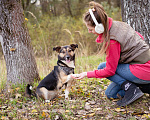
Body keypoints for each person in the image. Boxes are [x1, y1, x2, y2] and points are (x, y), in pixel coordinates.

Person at [72, 1, 150, 107]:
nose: (89, 31)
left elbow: (110, 70)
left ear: (99, 27)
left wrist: (86, 74)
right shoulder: (118, 25)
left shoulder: (112, 40)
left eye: (90, 29)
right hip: (141, 68)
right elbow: (140, 37)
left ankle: (133, 89)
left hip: (144, 69)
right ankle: (142, 87)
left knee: (102, 67)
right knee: (111, 94)